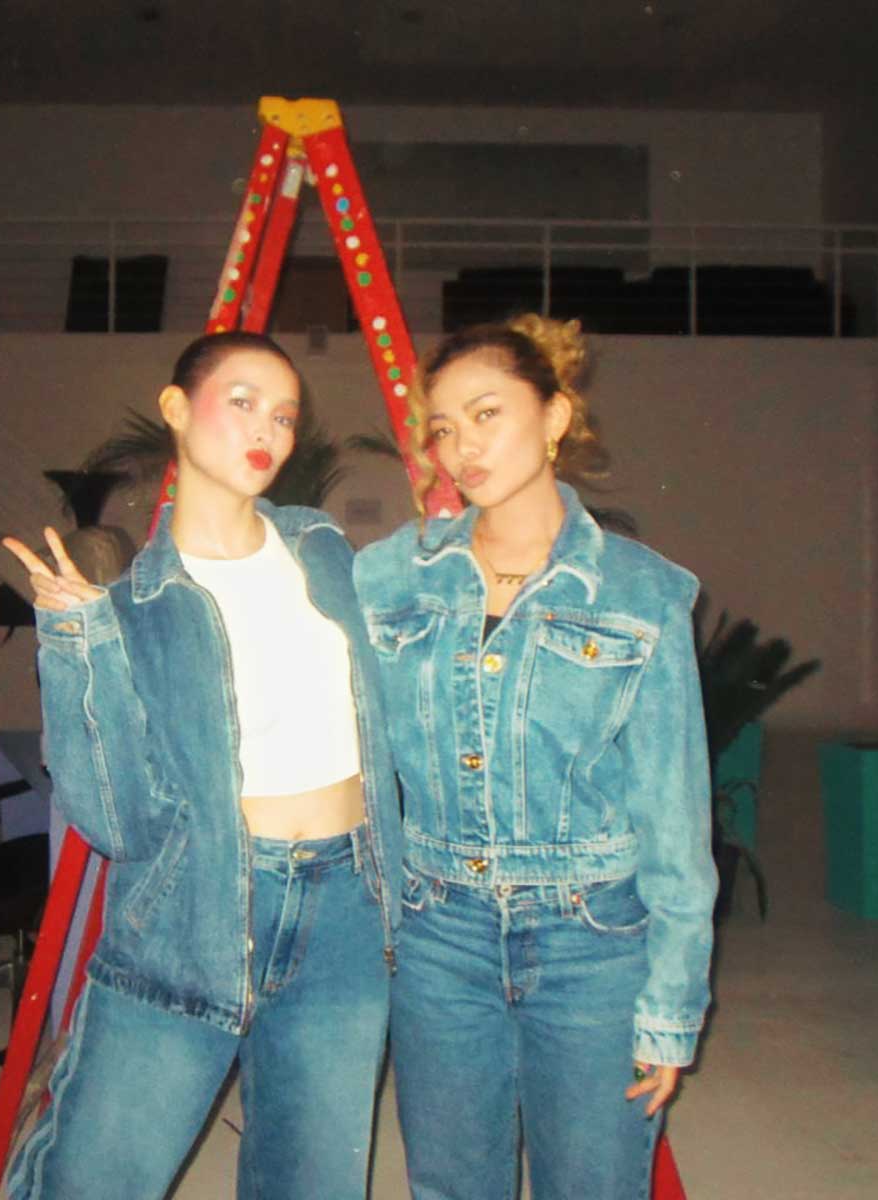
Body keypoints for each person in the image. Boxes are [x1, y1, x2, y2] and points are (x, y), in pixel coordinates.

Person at [0, 331, 402, 1200]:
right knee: (92, 1180)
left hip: (348, 905)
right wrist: (74, 641)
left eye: (285, 415)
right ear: (176, 409)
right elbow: (114, 821)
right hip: (193, 905)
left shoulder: (324, 551)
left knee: (314, 1186)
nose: (268, 429)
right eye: (244, 401)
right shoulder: (131, 607)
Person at [354, 315, 718, 1199]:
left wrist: (670, 1006)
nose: (462, 449)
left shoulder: (642, 591)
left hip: (592, 943)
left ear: (555, 416)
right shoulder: (391, 578)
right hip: (439, 936)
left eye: (487, 414)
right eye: (444, 428)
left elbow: (674, 817)